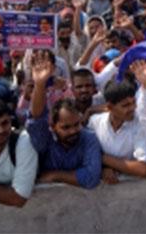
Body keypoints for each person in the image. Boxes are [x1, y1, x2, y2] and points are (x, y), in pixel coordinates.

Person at [25, 53, 101, 189]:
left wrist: (55, 175)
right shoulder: (45, 140)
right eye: (65, 127)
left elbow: (91, 177)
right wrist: (40, 84)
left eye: (76, 125)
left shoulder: (89, 138)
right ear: (53, 127)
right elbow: (36, 119)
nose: (73, 131)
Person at [88, 80, 146, 184]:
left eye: (133, 102)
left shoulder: (140, 125)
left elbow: (143, 168)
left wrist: (103, 158)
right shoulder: (94, 123)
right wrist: (104, 168)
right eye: (125, 105)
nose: (132, 108)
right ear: (110, 107)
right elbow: (86, 156)